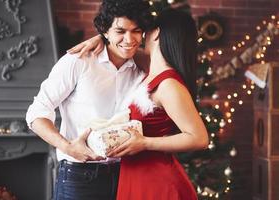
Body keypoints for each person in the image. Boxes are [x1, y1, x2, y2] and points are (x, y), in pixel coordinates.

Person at [68, 8, 209, 200]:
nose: (140, 36)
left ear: (157, 33)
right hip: (136, 174)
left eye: (145, 30)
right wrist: (102, 39)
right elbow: (125, 49)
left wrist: (145, 143)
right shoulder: (152, 70)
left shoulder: (169, 85)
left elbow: (199, 138)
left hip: (156, 182)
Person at [25, 0, 153, 200]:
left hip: (128, 174)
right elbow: (36, 113)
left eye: (136, 31)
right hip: (80, 175)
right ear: (105, 30)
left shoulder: (144, 67)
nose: (129, 39)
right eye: (120, 31)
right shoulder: (78, 61)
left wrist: (104, 39)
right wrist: (68, 148)